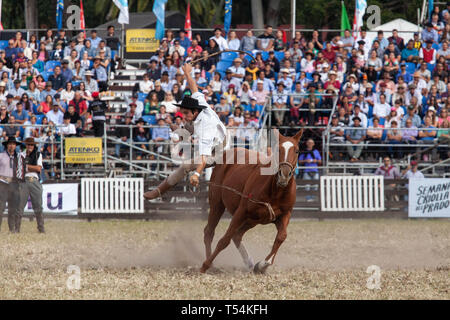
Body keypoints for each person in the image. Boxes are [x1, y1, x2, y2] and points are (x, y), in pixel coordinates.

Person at [144, 63, 227, 200]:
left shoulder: (205, 126)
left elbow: (204, 157)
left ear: (195, 111)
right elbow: (194, 87)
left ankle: (158, 191)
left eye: (186, 113)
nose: (184, 115)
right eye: (183, 112)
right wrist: (187, 73)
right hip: (217, 137)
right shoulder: (200, 104)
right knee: (186, 128)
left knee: (184, 167)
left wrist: (197, 175)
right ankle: (179, 131)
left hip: (218, 150)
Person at [17, 137, 44, 233]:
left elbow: (38, 169)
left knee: (38, 206)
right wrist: (31, 168)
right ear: (26, 145)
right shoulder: (21, 155)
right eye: (28, 144)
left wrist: (26, 166)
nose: (30, 146)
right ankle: (16, 229)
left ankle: (41, 228)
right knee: (19, 206)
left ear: (34, 145)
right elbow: (19, 168)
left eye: (31, 144)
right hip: (24, 181)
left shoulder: (38, 154)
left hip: (34, 180)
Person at [0, 137, 24, 233]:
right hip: (2, 184)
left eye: (13, 144)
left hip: (14, 184)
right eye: (10, 144)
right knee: (0, 208)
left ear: (15, 146)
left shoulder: (19, 157)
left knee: (13, 208)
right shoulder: (1, 156)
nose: (11, 145)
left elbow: (22, 171)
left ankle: (12, 229)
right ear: (6, 145)